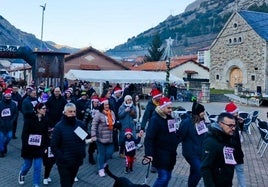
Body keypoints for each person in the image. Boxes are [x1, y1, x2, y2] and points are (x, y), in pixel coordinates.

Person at [144, 97, 181, 187]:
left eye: (171, 108)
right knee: (163, 177)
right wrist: (148, 154)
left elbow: (173, 133)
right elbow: (149, 138)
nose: (170, 110)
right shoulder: (155, 120)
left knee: (168, 177)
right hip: (160, 154)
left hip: (170, 154)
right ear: (162, 107)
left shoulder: (170, 118)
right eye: (168, 108)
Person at [51, 103, 86, 187]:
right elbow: (54, 146)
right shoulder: (59, 127)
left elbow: (83, 139)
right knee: (65, 184)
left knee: (71, 182)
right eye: (70, 111)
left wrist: (82, 153)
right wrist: (61, 158)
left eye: (74, 111)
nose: (73, 113)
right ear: (65, 112)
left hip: (76, 160)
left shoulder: (79, 124)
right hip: (64, 163)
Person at [201, 112, 237, 187]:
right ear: (220, 124)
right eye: (230, 126)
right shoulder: (211, 142)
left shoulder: (227, 136)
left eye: (234, 125)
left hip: (226, 181)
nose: (233, 128)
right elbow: (205, 168)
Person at [18, 103, 49, 187]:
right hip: (28, 146)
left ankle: (36, 184)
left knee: (38, 166)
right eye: (43, 108)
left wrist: (46, 146)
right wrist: (25, 145)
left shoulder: (45, 119)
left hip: (39, 146)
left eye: (45, 108)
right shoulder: (29, 119)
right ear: (38, 110)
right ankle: (22, 173)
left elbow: (46, 134)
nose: (45, 110)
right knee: (27, 165)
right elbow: (24, 134)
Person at [178, 102, 208, 187]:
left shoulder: (202, 121)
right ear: (198, 112)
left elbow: (205, 135)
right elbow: (180, 136)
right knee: (199, 170)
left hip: (200, 152)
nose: (204, 113)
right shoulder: (187, 122)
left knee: (195, 171)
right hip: (190, 153)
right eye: (203, 111)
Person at [91, 97, 115, 177]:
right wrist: (93, 135)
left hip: (110, 137)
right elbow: (94, 125)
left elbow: (114, 122)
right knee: (101, 154)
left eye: (108, 104)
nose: (107, 106)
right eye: (105, 105)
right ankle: (101, 169)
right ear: (102, 105)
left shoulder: (112, 113)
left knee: (109, 153)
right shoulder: (98, 114)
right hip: (100, 138)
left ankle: (104, 163)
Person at [224, 102, 246, 187]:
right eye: (235, 112)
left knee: (240, 172)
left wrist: (241, 123)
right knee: (229, 173)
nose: (237, 114)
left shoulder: (235, 121)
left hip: (237, 152)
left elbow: (239, 134)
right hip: (230, 152)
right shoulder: (229, 125)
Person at [141, 88, 162, 173]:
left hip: (161, 128)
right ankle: (153, 164)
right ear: (155, 97)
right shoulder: (150, 105)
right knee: (153, 145)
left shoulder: (160, 103)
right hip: (152, 128)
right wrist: (142, 128)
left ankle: (158, 163)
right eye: (159, 96)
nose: (161, 97)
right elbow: (145, 117)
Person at [0, 89, 18, 157]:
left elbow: (16, 113)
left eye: (9, 97)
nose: (8, 98)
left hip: (9, 124)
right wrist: (1, 121)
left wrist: (12, 120)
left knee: (9, 137)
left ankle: (4, 145)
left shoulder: (13, 104)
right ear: (4, 96)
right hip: (1, 125)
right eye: (7, 97)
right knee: (1, 138)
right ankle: (1, 151)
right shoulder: (0, 104)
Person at [83, 95, 99, 165]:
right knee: (92, 143)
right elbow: (85, 120)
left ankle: (99, 157)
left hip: (98, 129)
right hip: (90, 129)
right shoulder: (89, 110)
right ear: (92, 103)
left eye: (97, 102)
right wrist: (84, 128)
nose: (96, 103)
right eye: (94, 102)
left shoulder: (100, 110)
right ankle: (90, 156)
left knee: (98, 143)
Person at [109, 87, 124, 152]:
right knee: (113, 133)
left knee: (117, 133)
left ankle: (116, 147)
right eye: (119, 93)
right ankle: (113, 147)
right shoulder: (111, 100)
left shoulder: (120, 99)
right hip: (113, 118)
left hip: (118, 118)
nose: (120, 94)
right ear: (116, 93)